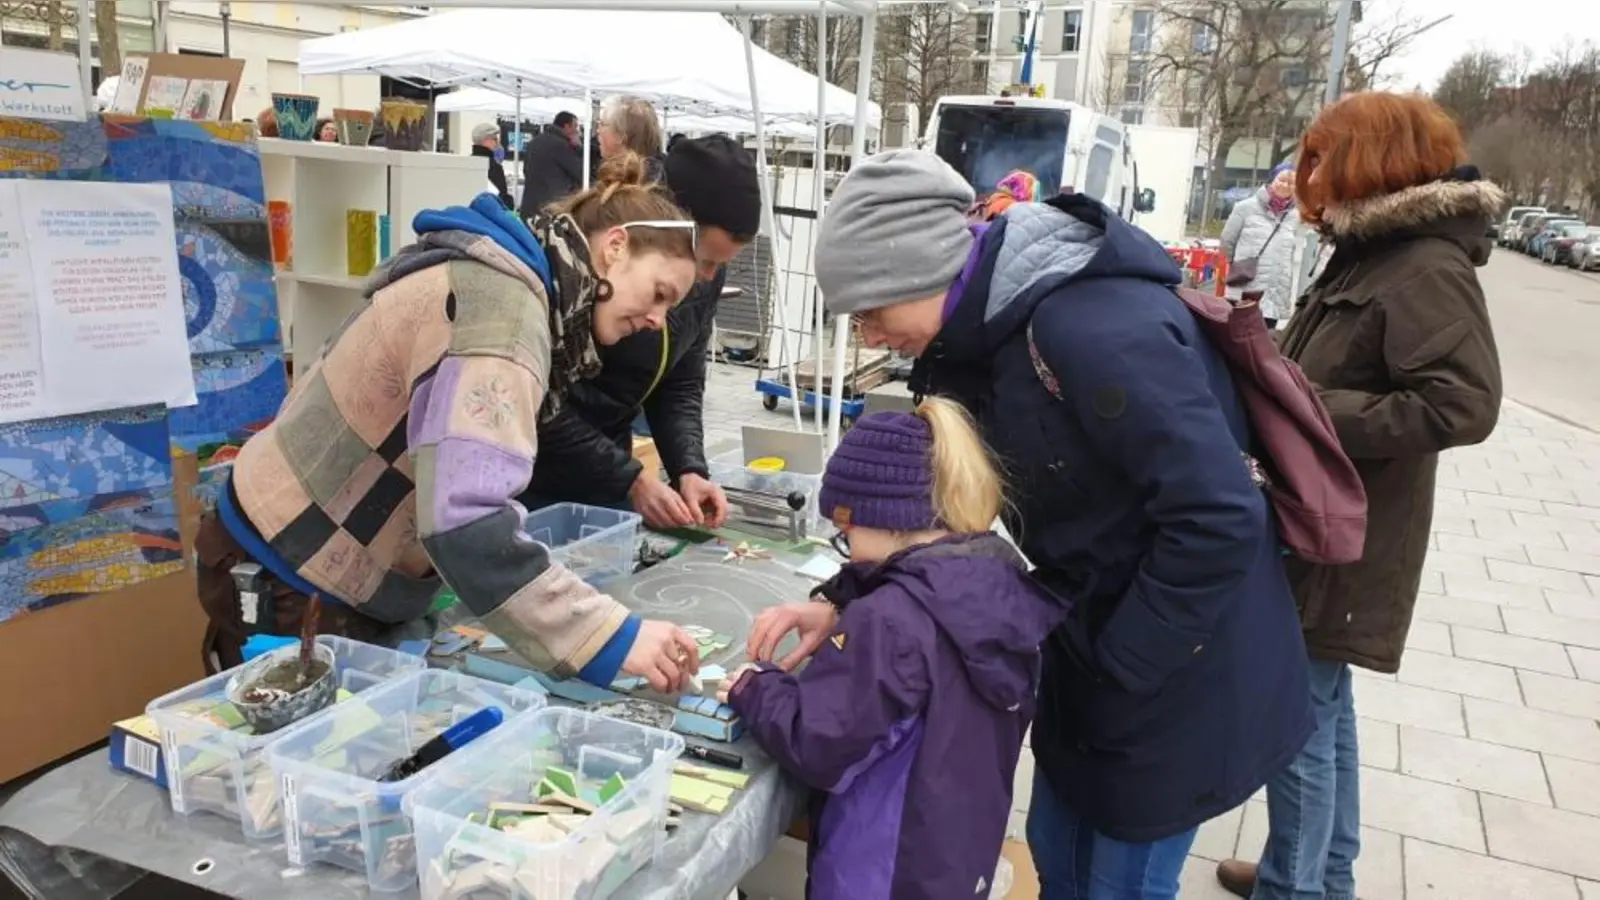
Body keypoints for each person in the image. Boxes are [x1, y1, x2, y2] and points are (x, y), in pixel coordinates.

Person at [750, 150, 1313, 899]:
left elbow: (1219, 518)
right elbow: (937, 520)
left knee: (1117, 884)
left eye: (871, 314)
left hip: (1177, 673)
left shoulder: (1095, 330)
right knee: (1057, 856)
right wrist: (845, 602)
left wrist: (1120, 666)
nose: (870, 339)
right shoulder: (970, 343)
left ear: (920, 272)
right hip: (1088, 649)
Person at [193, 152, 704, 693]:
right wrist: (608, 637)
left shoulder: (505, 282)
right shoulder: (502, 311)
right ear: (616, 246)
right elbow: (467, 517)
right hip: (290, 571)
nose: (657, 320)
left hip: (295, 554)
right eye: (660, 294)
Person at [1216, 92, 1502, 900]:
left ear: (1372, 160)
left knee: (1296, 714)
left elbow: (1462, 406)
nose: (1309, 175)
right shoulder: (1372, 250)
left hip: (1349, 532)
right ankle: (1321, 874)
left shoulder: (1425, 266)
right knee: (1322, 704)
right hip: (1325, 516)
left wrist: (1306, 409)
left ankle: (1295, 888)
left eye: (1321, 159)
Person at [725, 400, 1067, 899]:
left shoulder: (888, 622)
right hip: (950, 861)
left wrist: (756, 687)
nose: (847, 551)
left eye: (846, 536)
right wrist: (839, 606)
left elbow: (820, 743)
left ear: (887, 519)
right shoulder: (997, 582)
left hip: (876, 874)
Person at [524, 133, 762, 529]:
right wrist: (632, 479)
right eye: (705, 260)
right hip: (536, 477)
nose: (708, 277)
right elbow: (541, 403)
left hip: (607, 474)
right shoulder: (546, 292)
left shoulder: (690, 282)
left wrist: (688, 468)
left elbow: (681, 381)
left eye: (721, 266)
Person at [1220, 162, 1300, 328]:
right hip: (1246, 287)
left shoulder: (1295, 216)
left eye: (1291, 183)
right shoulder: (1245, 208)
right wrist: (1238, 263)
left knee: (1265, 338)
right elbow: (1227, 241)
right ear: (1272, 180)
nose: (1285, 185)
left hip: (1275, 292)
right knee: (1237, 334)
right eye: (1282, 180)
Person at [519, 111, 582, 218]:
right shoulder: (562, 145)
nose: (577, 131)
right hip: (552, 207)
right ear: (566, 126)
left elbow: (526, 170)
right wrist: (579, 148)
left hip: (530, 204)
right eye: (575, 127)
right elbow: (579, 172)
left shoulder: (534, 142)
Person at [597, 94, 665, 181]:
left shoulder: (628, 182)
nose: (598, 130)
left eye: (602, 124)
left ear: (621, 135)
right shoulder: (653, 176)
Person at [471, 121, 513, 210]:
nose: (497, 143)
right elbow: (502, 198)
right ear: (485, 140)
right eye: (495, 139)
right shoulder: (494, 166)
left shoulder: (468, 163)